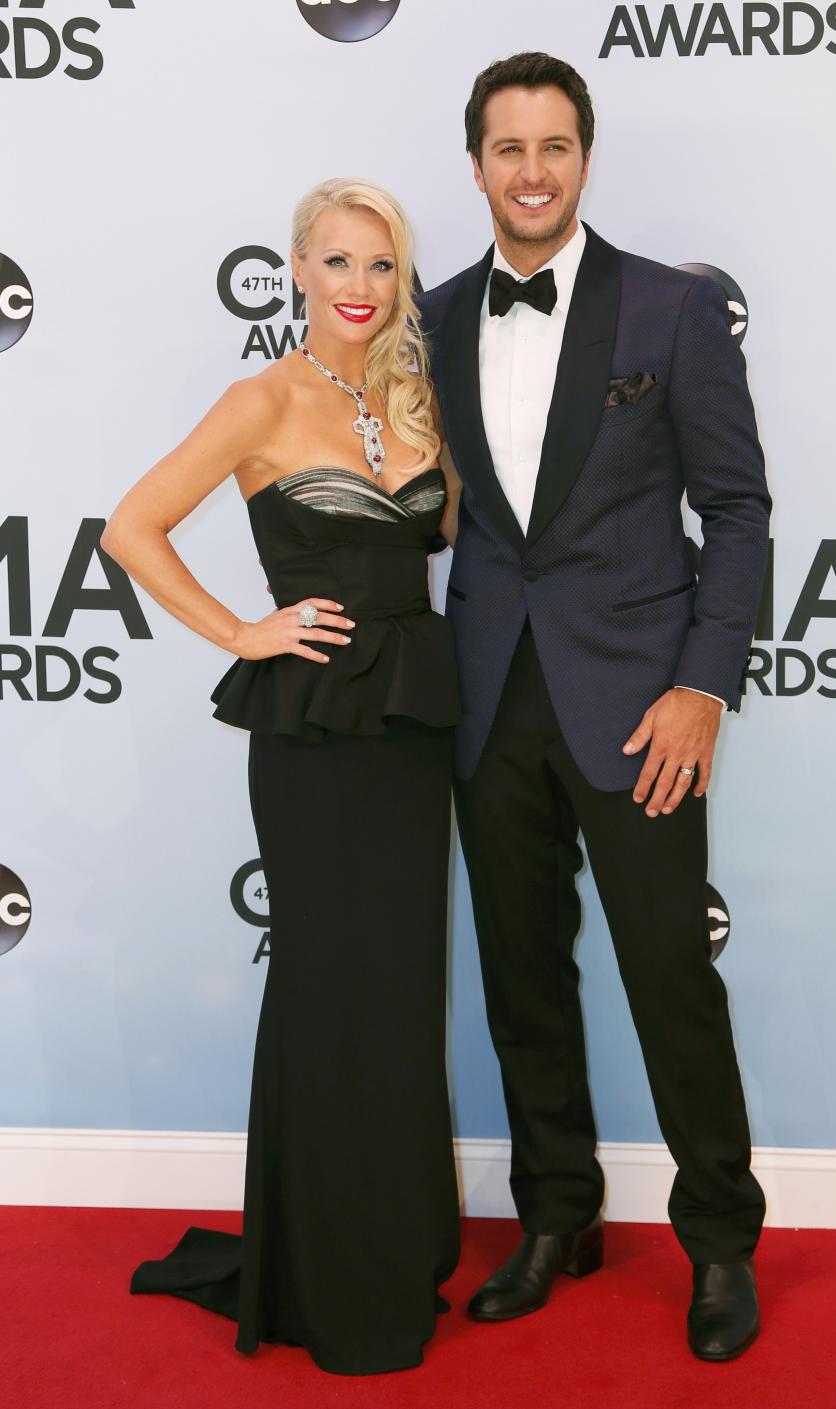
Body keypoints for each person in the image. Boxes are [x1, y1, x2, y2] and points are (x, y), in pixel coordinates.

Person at [419, 53, 771, 1362]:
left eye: (553, 145)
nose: (530, 169)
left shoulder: (670, 313)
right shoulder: (438, 317)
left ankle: (721, 1239)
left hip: (639, 707)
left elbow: (735, 510)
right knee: (522, 979)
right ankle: (558, 1214)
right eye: (506, 148)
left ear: (585, 156)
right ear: (475, 165)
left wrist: (702, 684)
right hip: (489, 701)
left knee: (673, 978)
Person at [102, 178, 462, 1375]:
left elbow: (461, 532)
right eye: (338, 262)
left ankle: (396, 1240)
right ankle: (325, 1270)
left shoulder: (420, 399)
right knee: (328, 986)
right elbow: (132, 527)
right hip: (313, 741)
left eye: (381, 265)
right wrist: (243, 630)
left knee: (401, 987)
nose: (360, 287)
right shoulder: (260, 398)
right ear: (297, 270)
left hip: (413, 733)